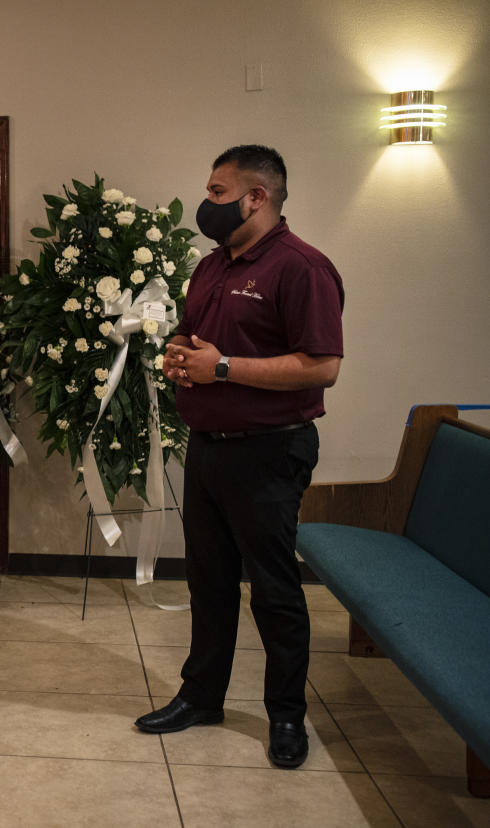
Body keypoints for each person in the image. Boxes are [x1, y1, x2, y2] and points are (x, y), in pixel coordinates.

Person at [133, 145, 345, 769]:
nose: (208, 202)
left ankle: (286, 715)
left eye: (219, 192)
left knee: (275, 591)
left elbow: (322, 366)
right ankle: (202, 697)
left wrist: (221, 367)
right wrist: (180, 355)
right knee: (210, 581)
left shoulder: (302, 268)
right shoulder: (211, 267)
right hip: (208, 450)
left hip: (270, 451)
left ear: (259, 197)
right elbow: (195, 339)